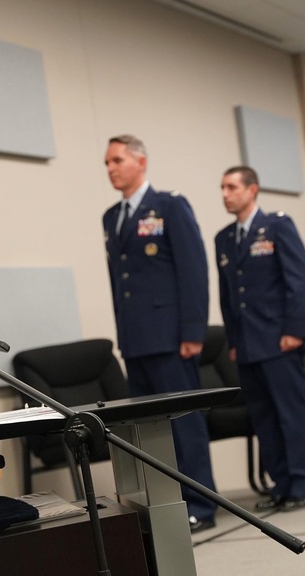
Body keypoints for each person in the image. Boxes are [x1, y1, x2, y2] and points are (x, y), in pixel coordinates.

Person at [102, 134, 218, 532]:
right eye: (107, 163)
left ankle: (202, 505)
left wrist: (193, 331)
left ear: (140, 162)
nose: (111, 168)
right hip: (136, 340)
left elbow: (193, 270)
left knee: (185, 426)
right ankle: (170, 506)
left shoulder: (169, 206)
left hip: (171, 338)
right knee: (150, 431)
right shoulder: (111, 217)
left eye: (117, 159)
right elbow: (121, 284)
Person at [215, 166, 305, 511]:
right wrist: (233, 340)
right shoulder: (224, 239)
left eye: (232, 187)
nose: (226, 194)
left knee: (290, 413)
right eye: (222, 188)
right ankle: (281, 484)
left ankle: (303, 483)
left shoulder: (276, 226)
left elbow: (300, 280)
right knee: (263, 417)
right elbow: (228, 296)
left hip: (278, 339)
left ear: (252, 189)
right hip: (246, 344)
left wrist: (294, 330)